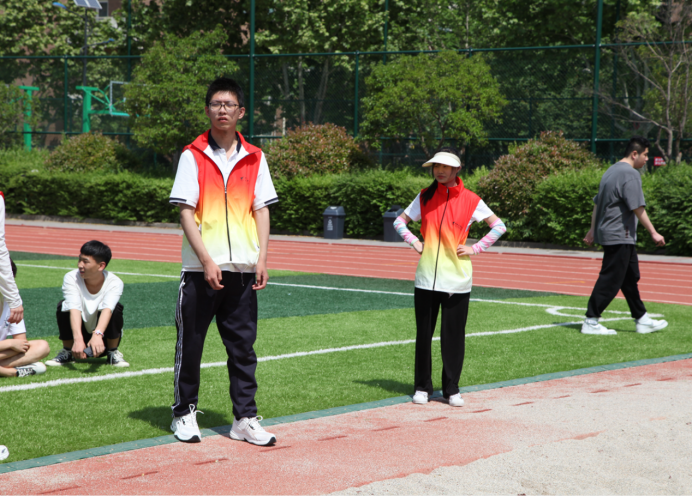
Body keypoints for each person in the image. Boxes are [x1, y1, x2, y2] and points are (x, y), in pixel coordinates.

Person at [168, 77, 278, 446]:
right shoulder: (192, 155)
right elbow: (186, 212)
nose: (222, 110)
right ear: (207, 110)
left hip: (243, 272)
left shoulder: (255, 157)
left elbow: (261, 209)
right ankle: (184, 413)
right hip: (200, 272)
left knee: (243, 349)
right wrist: (206, 260)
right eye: (216, 104)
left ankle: (244, 418)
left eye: (229, 104)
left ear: (241, 112)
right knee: (191, 346)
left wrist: (262, 257)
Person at [393, 147, 506, 407]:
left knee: (453, 337)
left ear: (457, 169)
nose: (440, 171)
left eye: (445, 166)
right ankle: (422, 387)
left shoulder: (471, 200)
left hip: (457, 280)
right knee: (423, 336)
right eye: (436, 166)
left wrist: (476, 248)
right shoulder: (424, 196)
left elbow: (498, 226)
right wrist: (414, 241)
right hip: (425, 279)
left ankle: (452, 389)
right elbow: (399, 222)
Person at [582, 136, 667, 335]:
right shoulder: (630, 174)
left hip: (615, 234)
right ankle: (591, 320)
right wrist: (653, 232)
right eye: (645, 154)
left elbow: (597, 203)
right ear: (634, 154)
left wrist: (593, 229)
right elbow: (637, 206)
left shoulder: (610, 171)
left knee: (629, 277)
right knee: (611, 278)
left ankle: (642, 319)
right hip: (619, 234)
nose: (647, 159)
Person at [45, 240, 129, 367]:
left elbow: (107, 310)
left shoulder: (115, 282)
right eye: (79, 260)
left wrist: (98, 335)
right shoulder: (71, 277)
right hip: (78, 340)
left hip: (102, 340)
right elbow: (74, 308)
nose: (80, 265)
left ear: (101, 266)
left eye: (85, 261)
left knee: (116, 308)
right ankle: (68, 352)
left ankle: (112, 353)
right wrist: (78, 340)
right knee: (64, 305)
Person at [0, 193, 49, 378]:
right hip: (4, 351)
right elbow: (15, 345)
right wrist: (8, 344)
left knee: (42, 346)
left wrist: (13, 345)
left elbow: (22, 343)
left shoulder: (11, 302)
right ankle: (12, 373)